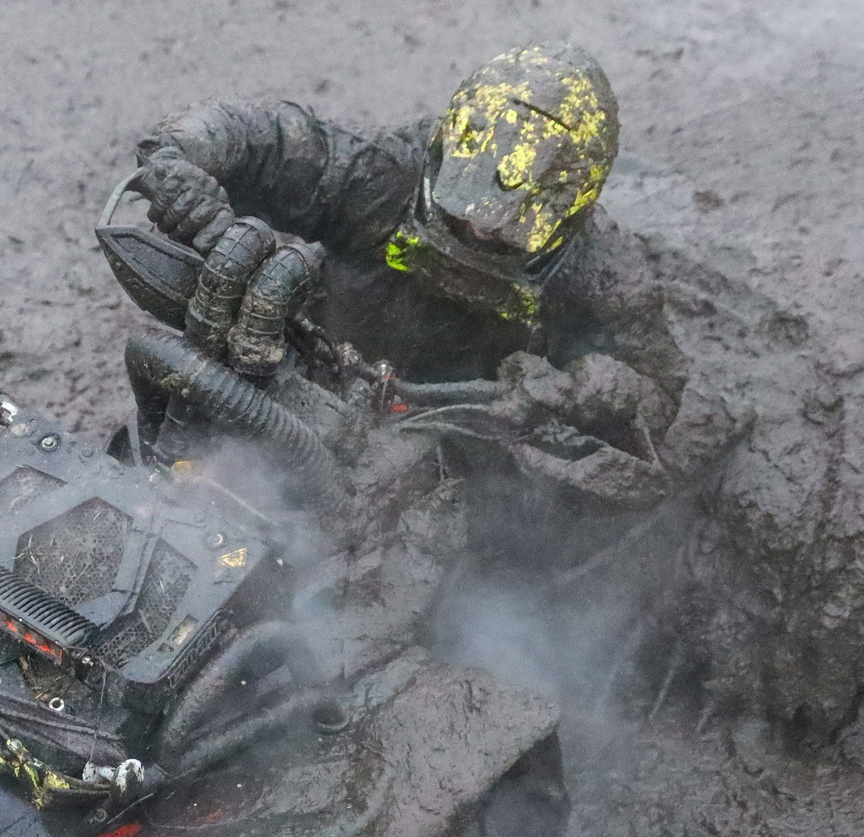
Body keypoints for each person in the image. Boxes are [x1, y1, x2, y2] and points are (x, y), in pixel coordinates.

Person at [130, 43, 704, 510]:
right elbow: (260, 136)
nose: (480, 232)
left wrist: (575, 387)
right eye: (462, 211)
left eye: (506, 228)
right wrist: (182, 166)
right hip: (310, 382)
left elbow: (663, 400)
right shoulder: (381, 178)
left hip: (468, 458)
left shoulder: (600, 272)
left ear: (568, 209)